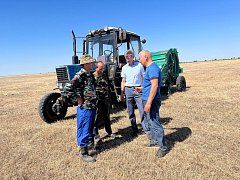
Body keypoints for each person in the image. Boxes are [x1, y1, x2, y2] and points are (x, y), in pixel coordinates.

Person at [139, 50, 169, 158]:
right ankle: (155, 141)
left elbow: (155, 86)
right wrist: (141, 89)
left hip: (150, 101)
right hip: (147, 99)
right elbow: (149, 85)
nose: (139, 60)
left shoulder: (152, 68)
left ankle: (163, 147)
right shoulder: (149, 68)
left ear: (146, 57)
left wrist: (148, 103)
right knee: (150, 122)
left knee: (155, 123)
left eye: (140, 58)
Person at [70, 54, 97, 163]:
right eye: (91, 62)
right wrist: (79, 99)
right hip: (85, 106)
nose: (93, 64)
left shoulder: (89, 74)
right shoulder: (80, 74)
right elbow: (70, 86)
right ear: (86, 64)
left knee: (89, 127)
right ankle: (84, 152)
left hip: (92, 105)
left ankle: (89, 146)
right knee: (84, 128)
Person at [120, 50, 146, 135]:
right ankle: (134, 130)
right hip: (128, 90)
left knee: (142, 110)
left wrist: (143, 88)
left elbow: (144, 78)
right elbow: (123, 81)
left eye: (128, 56)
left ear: (132, 56)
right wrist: (122, 93)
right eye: (126, 57)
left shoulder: (139, 66)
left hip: (138, 89)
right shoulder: (124, 68)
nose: (127, 58)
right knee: (130, 111)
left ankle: (146, 129)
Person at [93, 61, 115, 140]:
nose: (102, 70)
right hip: (98, 100)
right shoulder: (93, 77)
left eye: (102, 69)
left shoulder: (104, 75)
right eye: (100, 69)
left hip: (105, 99)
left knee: (106, 116)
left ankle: (109, 132)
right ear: (96, 68)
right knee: (96, 117)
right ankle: (96, 134)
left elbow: (108, 86)